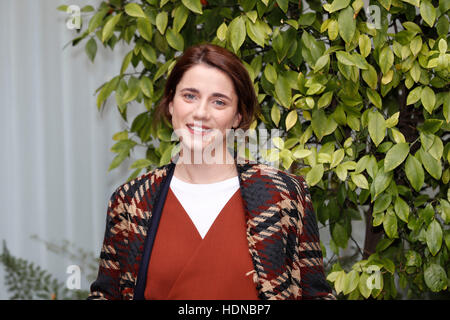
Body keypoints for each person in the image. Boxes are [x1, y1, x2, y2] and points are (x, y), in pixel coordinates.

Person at [88, 43, 334, 300]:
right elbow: (106, 295)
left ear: (238, 116)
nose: (201, 113)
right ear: (171, 103)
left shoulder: (282, 195)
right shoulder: (130, 201)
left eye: (219, 101)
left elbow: (316, 295)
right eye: (190, 96)